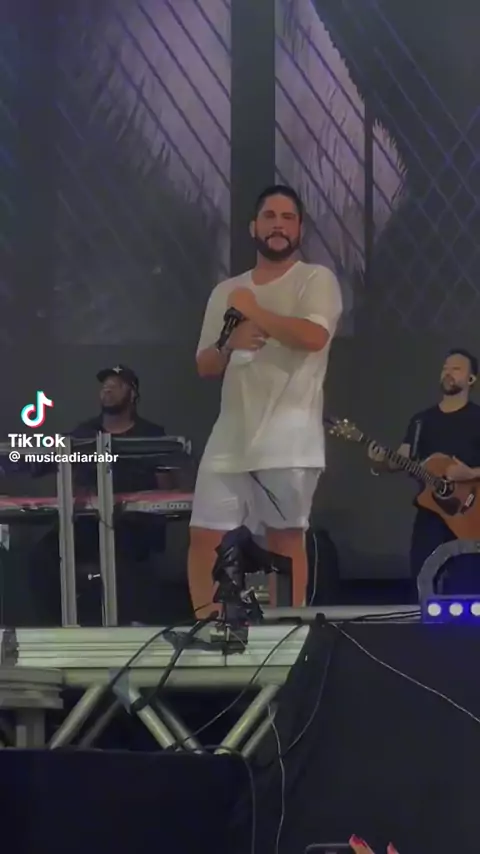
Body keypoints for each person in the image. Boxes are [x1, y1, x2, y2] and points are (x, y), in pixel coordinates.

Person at [188, 185, 342, 614]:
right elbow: (205, 364)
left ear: (300, 230)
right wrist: (230, 341)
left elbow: (313, 336)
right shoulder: (227, 290)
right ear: (253, 227)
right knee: (205, 535)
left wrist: (253, 310)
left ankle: (285, 631)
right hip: (231, 434)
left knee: (284, 538)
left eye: (288, 218)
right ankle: (208, 627)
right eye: (270, 217)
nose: (278, 225)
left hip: (288, 437)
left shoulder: (316, 279)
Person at [30, 365, 168, 625]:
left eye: (117, 385)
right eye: (105, 385)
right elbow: (49, 462)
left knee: (125, 567)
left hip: (132, 526)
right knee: (43, 556)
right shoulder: (84, 432)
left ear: (133, 394)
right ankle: (54, 628)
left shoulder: (151, 434)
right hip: (86, 524)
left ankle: (131, 629)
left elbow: (167, 486)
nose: (107, 389)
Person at [369, 348, 480, 588]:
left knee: (467, 583)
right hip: (431, 513)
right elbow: (401, 459)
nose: (448, 373)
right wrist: (380, 461)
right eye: (445, 368)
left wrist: (471, 473)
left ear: (471, 379)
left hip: (471, 514)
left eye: (456, 368)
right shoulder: (421, 421)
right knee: (423, 578)